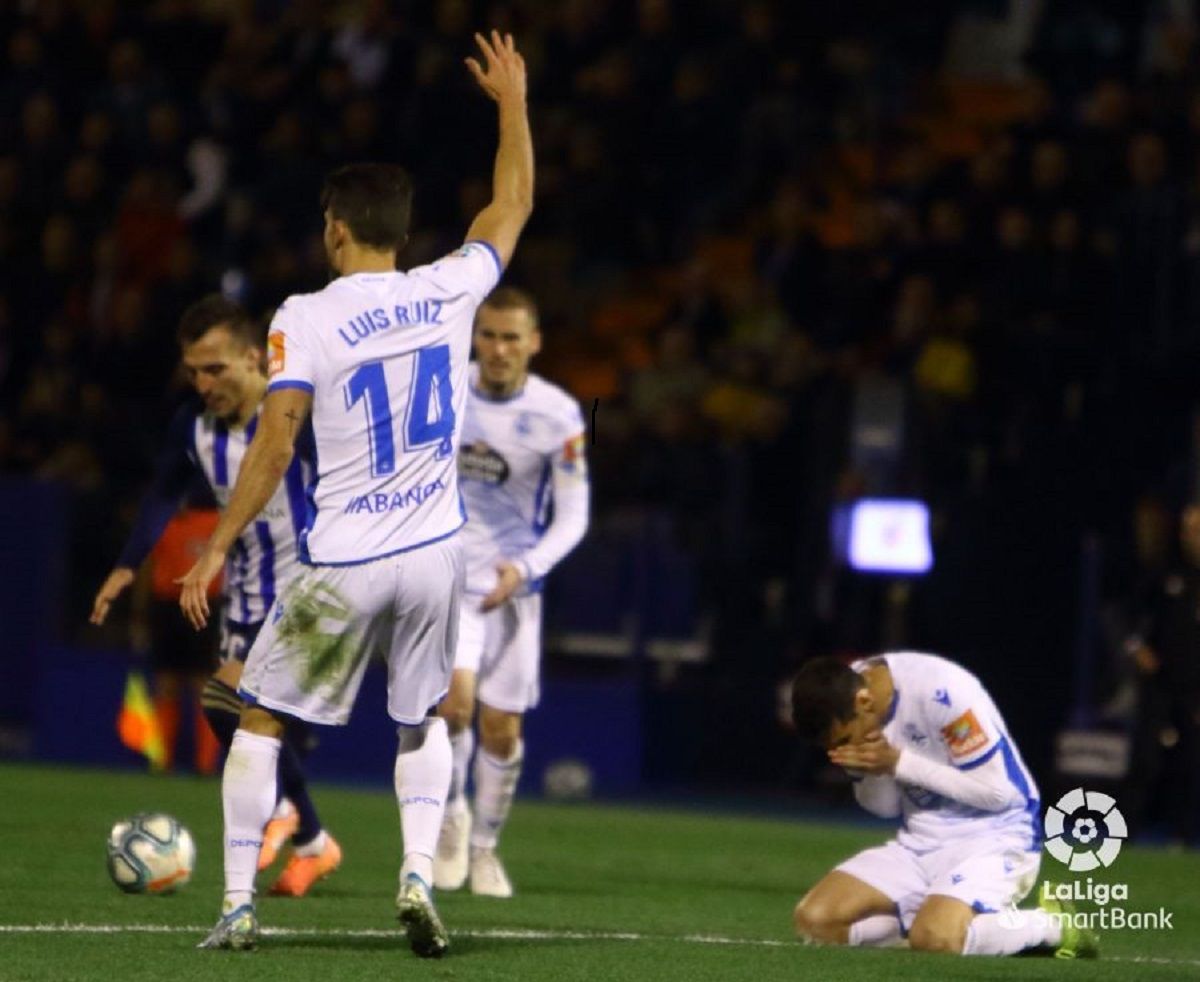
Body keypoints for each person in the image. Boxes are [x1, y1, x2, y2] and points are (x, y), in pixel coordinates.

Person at [179, 29, 533, 958]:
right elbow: (512, 203)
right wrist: (513, 104)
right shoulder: (451, 288)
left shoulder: (305, 316)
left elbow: (277, 439)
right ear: (402, 232)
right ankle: (416, 875)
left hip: (342, 561)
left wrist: (218, 544)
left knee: (259, 719)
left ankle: (236, 907)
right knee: (421, 720)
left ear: (336, 227)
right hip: (435, 557)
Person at [90, 294, 340, 896]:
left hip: (310, 591)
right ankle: (311, 841)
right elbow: (163, 493)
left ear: (254, 358)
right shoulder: (194, 427)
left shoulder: (296, 413)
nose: (203, 384)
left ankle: (290, 818)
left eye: (215, 369)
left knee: (233, 704)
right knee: (245, 721)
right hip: (244, 596)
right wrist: (127, 565)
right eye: (194, 371)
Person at [430, 286, 590, 897]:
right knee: (453, 707)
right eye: (489, 336)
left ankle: (485, 847)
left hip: (514, 588)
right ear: (476, 337)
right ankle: (451, 818)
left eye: (511, 338)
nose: (498, 349)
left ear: (534, 343)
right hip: (448, 579)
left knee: (502, 731)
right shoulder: (444, 391)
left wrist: (523, 569)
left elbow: (573, 517)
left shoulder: (559, 415)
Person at [789, 653, 1098, 959]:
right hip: (920, 843)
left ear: (865, 702)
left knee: (938, 939)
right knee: (816, 921)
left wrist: (898, 763)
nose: (844, 751)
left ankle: (1053, 925)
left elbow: (997, 793)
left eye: (844, 740)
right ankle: (926, 921)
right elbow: (885, 808)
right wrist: (866, 770)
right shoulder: (845, 693)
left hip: (994, 838)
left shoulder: (942, 692)